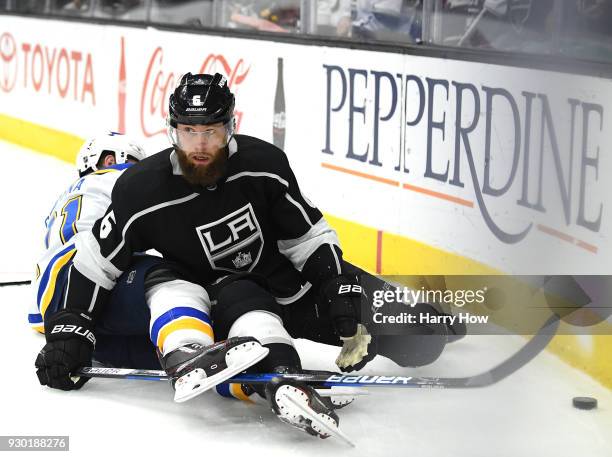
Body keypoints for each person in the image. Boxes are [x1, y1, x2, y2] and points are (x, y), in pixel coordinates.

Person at [34, 73, 456, 440]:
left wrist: (336, 287)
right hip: (230, 301)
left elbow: (308, 237)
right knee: (235, 297)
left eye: (212, 132)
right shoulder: (140, 190)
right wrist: (69, 335)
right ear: (171, 131)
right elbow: (93, 266)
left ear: (231, 128)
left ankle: (427, 314)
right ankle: (276, 368)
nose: (200, 145)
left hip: (294, 286)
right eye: (188, 132)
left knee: (423, 343)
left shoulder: (264, 164)